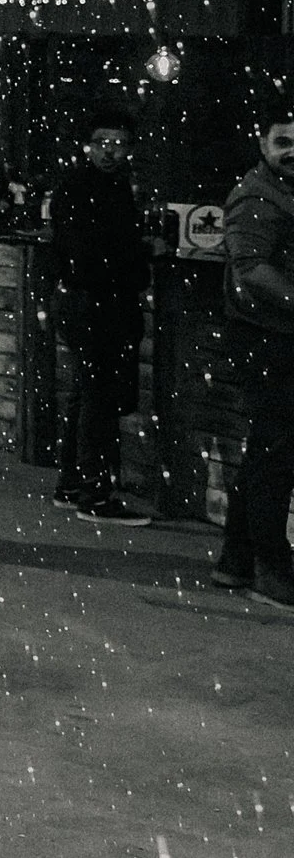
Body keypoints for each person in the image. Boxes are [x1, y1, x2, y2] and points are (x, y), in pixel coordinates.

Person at [47, 110, 155, 526]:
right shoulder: (85, 190)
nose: (111, 151)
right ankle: (95, 491)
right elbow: (88, 255)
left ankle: (74, 482)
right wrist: (137, 259)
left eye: (120, 143)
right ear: (88, 146)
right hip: (95, 302)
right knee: (99, 397)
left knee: (87, 394)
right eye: (103, 143)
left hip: (90, 301)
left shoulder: (107, 188)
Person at [214, 103, 294, 609]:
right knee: (276, 458)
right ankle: (271, 570)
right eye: (283, 141)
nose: (293, 152)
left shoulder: (281, 192)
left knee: (268, 451)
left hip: (276, 337)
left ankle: (236, 561)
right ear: (262, 144)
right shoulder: (257, 196)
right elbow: (251, 270)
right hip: (268, 339)